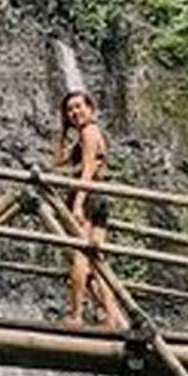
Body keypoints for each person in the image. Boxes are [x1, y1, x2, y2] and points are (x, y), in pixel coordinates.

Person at [54, 90, 124, 328]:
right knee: (96, 260)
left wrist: (77, 203)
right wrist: (63, 131)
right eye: (69, 109)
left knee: (80, 258)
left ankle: (75, 315)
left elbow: (86, 171)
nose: (74, 112)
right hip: (100, 197)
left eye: (78, 107)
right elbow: (58, 161)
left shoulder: (89, 132)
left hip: (88, 197)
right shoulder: (86, 134)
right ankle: (111, 316)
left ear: (90, 108)